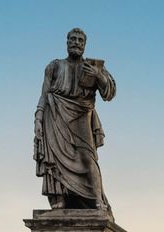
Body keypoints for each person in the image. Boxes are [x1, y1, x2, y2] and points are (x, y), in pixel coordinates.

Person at [34, 28, 116, 210]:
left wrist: (98, 76)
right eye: (73, 39)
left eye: (80, 40)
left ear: (85, 45)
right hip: (55, 114)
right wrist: (38, 119)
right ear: (67, 42)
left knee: (88, 157)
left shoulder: (93, 67)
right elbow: (43, 94)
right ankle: (59, 196)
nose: (76, 42)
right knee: (54, 158)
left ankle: (98, 200)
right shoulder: (54, 66)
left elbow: (109, 93)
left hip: (82, 115)